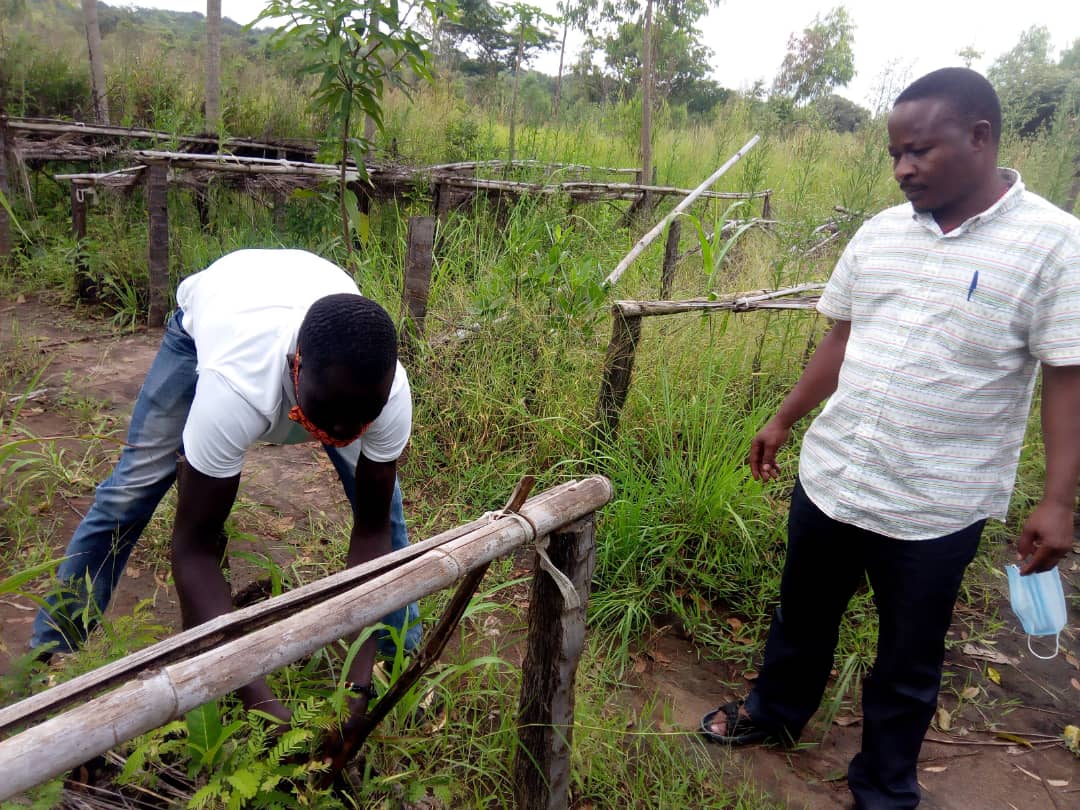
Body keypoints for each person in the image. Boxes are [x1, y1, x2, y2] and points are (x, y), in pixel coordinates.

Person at [700, 68, 1080, 809]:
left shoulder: (1057, 246)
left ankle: (882, 786)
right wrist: (783, 418)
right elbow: (843, 338)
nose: (904, 168)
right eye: (894, 155)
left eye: (920, 151)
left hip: (935, 505)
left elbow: (1069, 373)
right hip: (835, 475)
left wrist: (1058, 499)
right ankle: (774, 714)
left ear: (980, 138)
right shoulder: (880, 234)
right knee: (800, 617)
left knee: (908, 659)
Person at [32, 249, 422, 723]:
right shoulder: (234, 386)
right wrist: (259, 699)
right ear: (296, 366)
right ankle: (47, 659)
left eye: (363, 418)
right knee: (128, 496)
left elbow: (371, 535)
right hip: (214, 320)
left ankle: (396, 666)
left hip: (307, 295)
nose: (342, 431)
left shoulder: (386, 394)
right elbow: (192, 548)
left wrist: (357, 684)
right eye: (331, 415)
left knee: (387, 517)